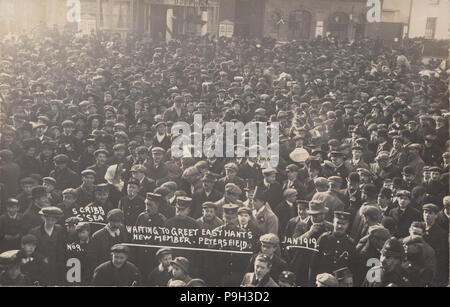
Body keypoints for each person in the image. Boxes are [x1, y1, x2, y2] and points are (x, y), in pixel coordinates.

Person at [311, 211, 358, 285]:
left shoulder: (350, 243)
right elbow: (313, 263)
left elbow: (353, 268)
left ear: (348, 225)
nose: (340, 226)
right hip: (323, 283)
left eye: (343, 224)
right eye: (338, 223)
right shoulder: (324, 239)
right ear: (333, 222)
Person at [29, 206, 66, 285]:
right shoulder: (34, 232)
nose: (50, 222)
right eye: (48, 219)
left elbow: (61, 247)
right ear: (43, 218)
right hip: (40, 266)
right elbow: (31, 249)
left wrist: (60, 262)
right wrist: (42, 258)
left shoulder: (59, 229)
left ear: (56, 220)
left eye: (53, 220)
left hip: (56, 265)